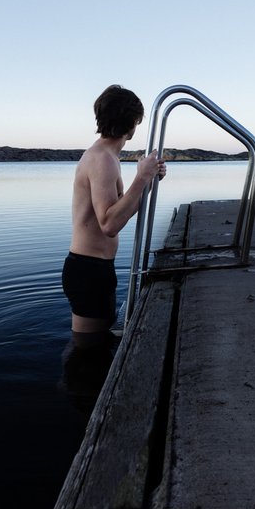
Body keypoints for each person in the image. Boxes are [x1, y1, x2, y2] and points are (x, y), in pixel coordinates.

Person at [62, 85, 167, 340]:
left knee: (95, 344)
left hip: (94, 267)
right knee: (87, 348)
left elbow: (121, 212)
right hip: (88, 270)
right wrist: (140, 179)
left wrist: (149, 182)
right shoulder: (102, 160)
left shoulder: (106, 156)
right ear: (133, 122)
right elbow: (109, 225)